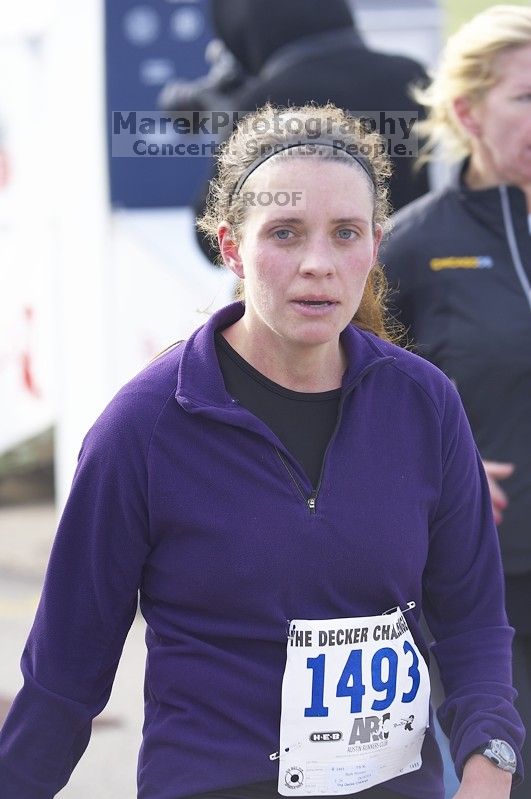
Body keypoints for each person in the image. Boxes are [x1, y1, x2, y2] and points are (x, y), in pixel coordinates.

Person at [0, 102, 524, 799]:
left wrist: (489, 770)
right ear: (230, 247)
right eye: (284, 233)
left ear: (375, 243)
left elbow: (473, 630)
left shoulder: (422, 403)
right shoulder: (144, 426)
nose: (318, 264)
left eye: (345, 233)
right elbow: (62, 681)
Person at [380, 5, 531, 792]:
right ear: (467, 111)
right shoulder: (411, 245)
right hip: (484, 595)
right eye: (525, 97)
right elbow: (352, 401)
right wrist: (445, 462)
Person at [180, 0, 429, 263]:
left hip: (302, 292)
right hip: (411, 285)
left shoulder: (263, 101)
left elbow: (211, 239)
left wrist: (231, 119)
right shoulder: (411, 77)